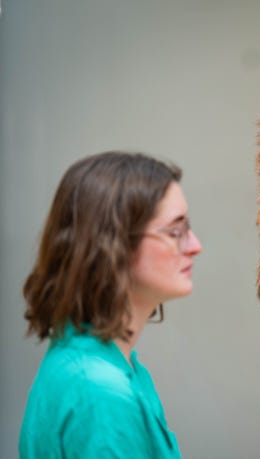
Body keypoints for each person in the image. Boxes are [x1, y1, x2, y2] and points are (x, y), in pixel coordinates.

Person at [19, 151, 202, 458]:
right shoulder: (100, 395)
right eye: (175, 231)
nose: (195, 246)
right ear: (112, 245)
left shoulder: (108, 364)